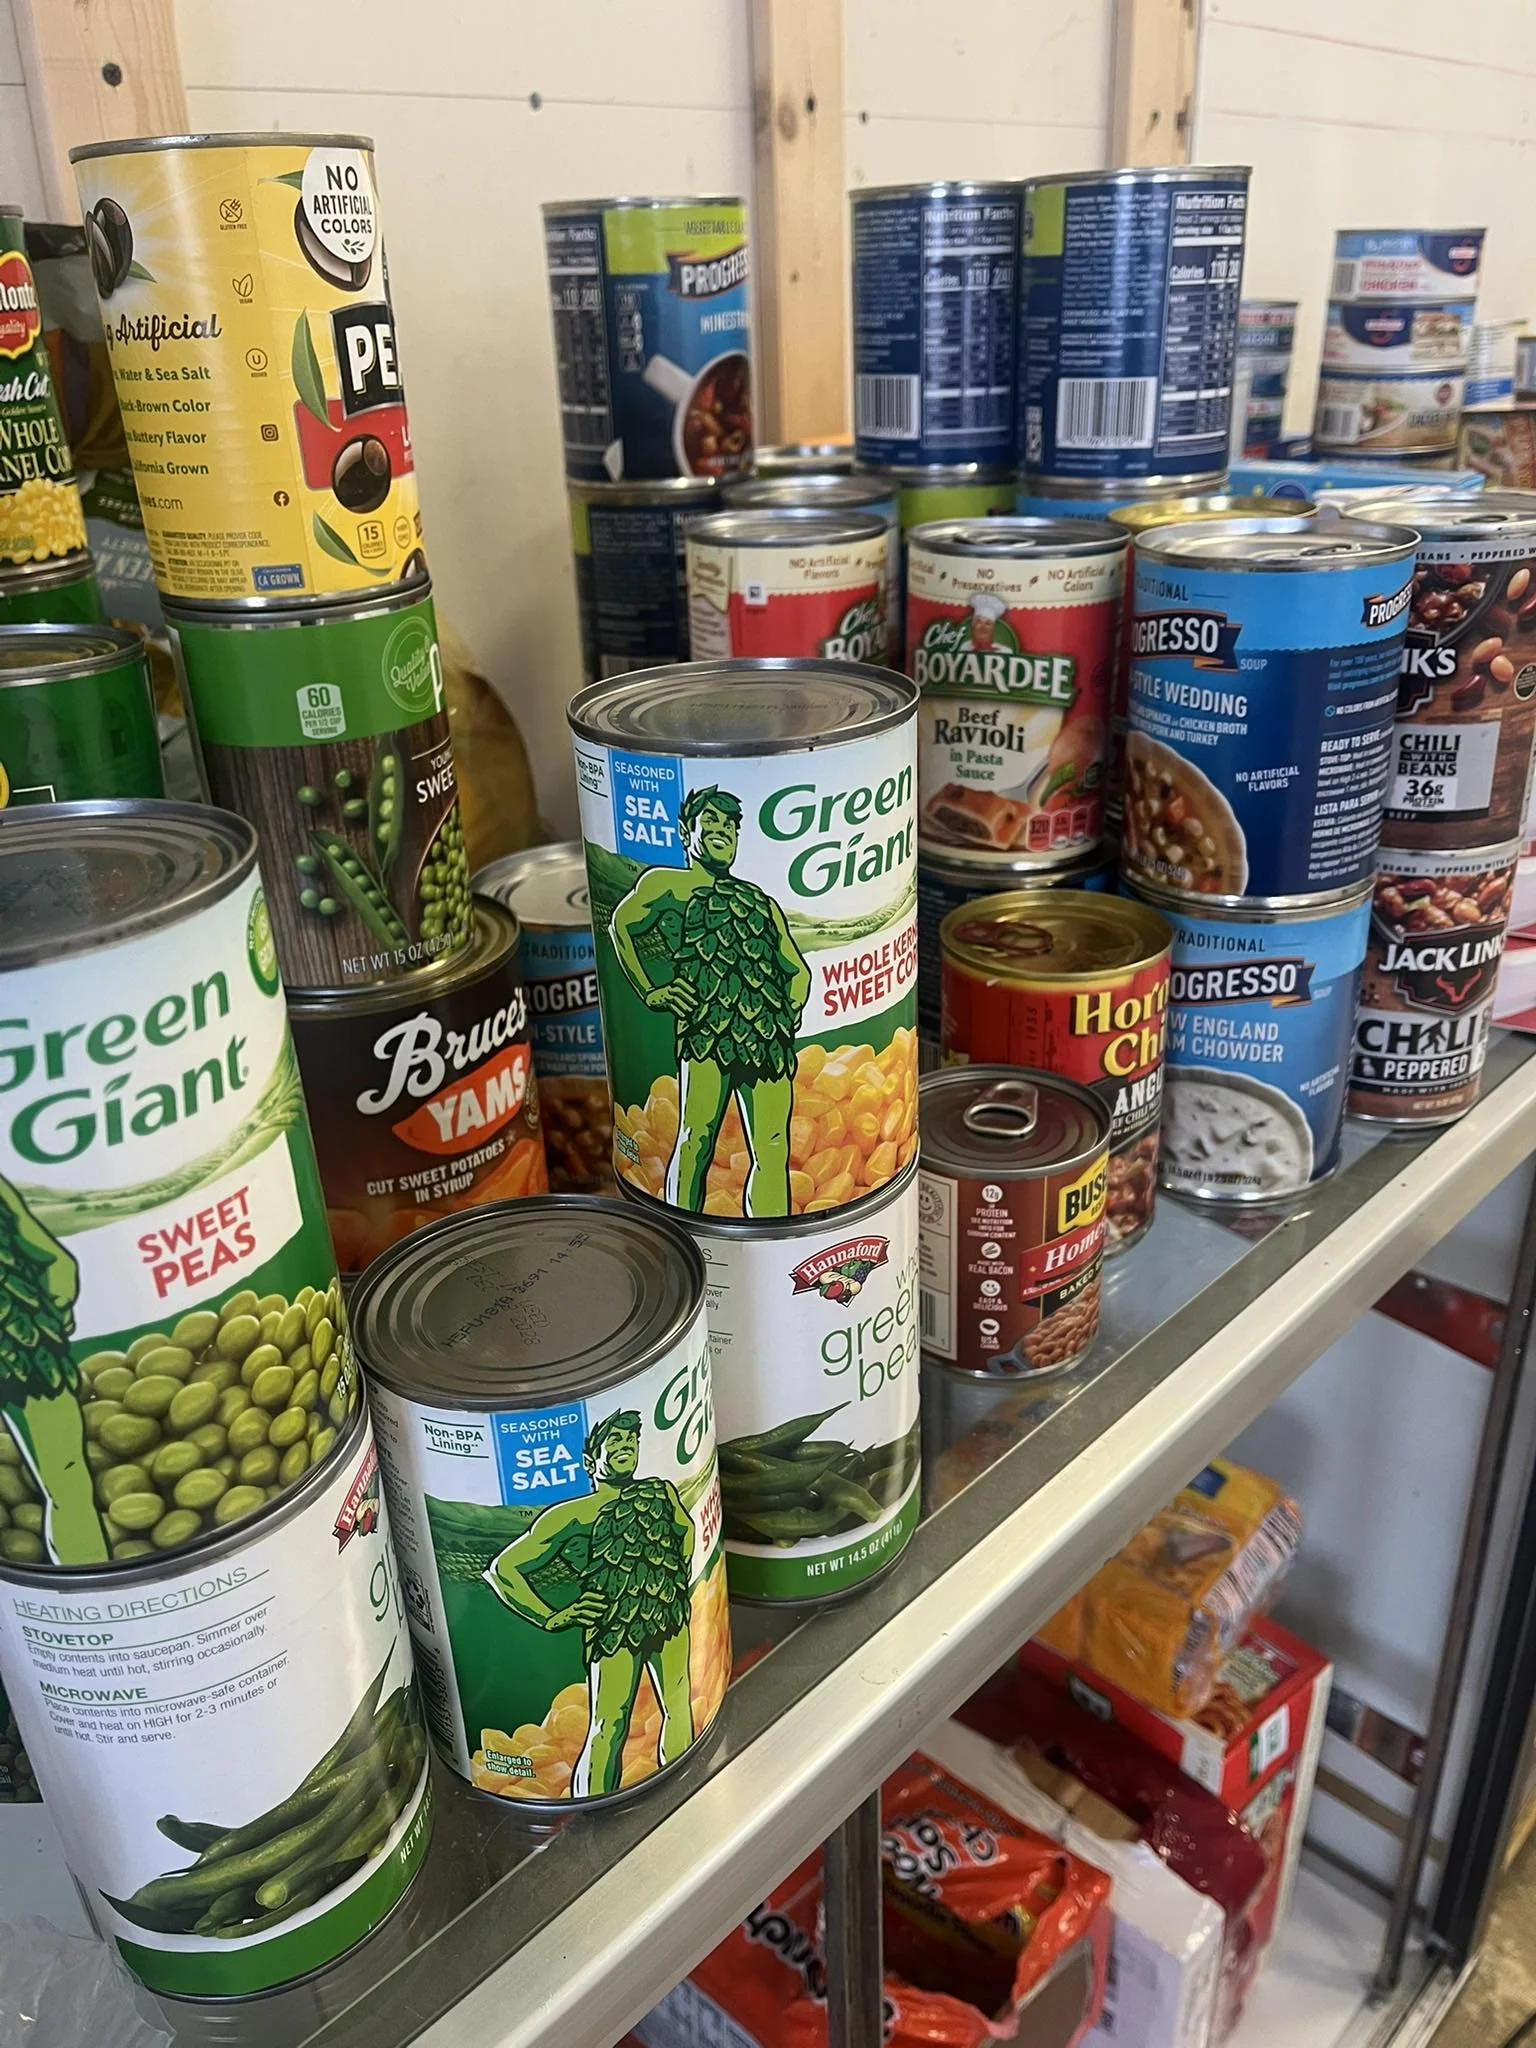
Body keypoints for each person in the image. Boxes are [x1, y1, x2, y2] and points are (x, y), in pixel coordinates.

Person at [608, 785, 810, 1215]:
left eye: (730, 826)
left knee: (774, 1145)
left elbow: (797, 969)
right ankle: (681, 1231)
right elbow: (621, 925)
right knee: (697, 1134)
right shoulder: (667, 884)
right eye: (711, 823)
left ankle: (767, 1237)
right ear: (687, 832)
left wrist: (787, 1012)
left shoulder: (759, 900)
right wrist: (651, 991)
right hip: (706, 1030)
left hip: (765, 1038)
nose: (722, 832)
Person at [487, 1410, 695, 1798]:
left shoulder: (660, 1491)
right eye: (613, 1442)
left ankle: (682, 1790)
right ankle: (593, 1803)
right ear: (589, 1462)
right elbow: (504, 1569)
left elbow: (686, 1530)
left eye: (630, 1441)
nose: (625, 1448)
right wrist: (552, 1617)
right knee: (609, 1724)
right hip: (612, 1627)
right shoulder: (571, 1515)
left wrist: (673, 1581)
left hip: (666, 1614)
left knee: (678, 1701)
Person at [0, 1173, 108, 1565]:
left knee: (67, 1482)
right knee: (68, 1482)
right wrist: (51, 1319)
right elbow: (57, 1264)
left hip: (26, 1350)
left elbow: (57, 1264)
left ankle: (91, 1589)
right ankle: (96, 1589)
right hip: (27, 1345)